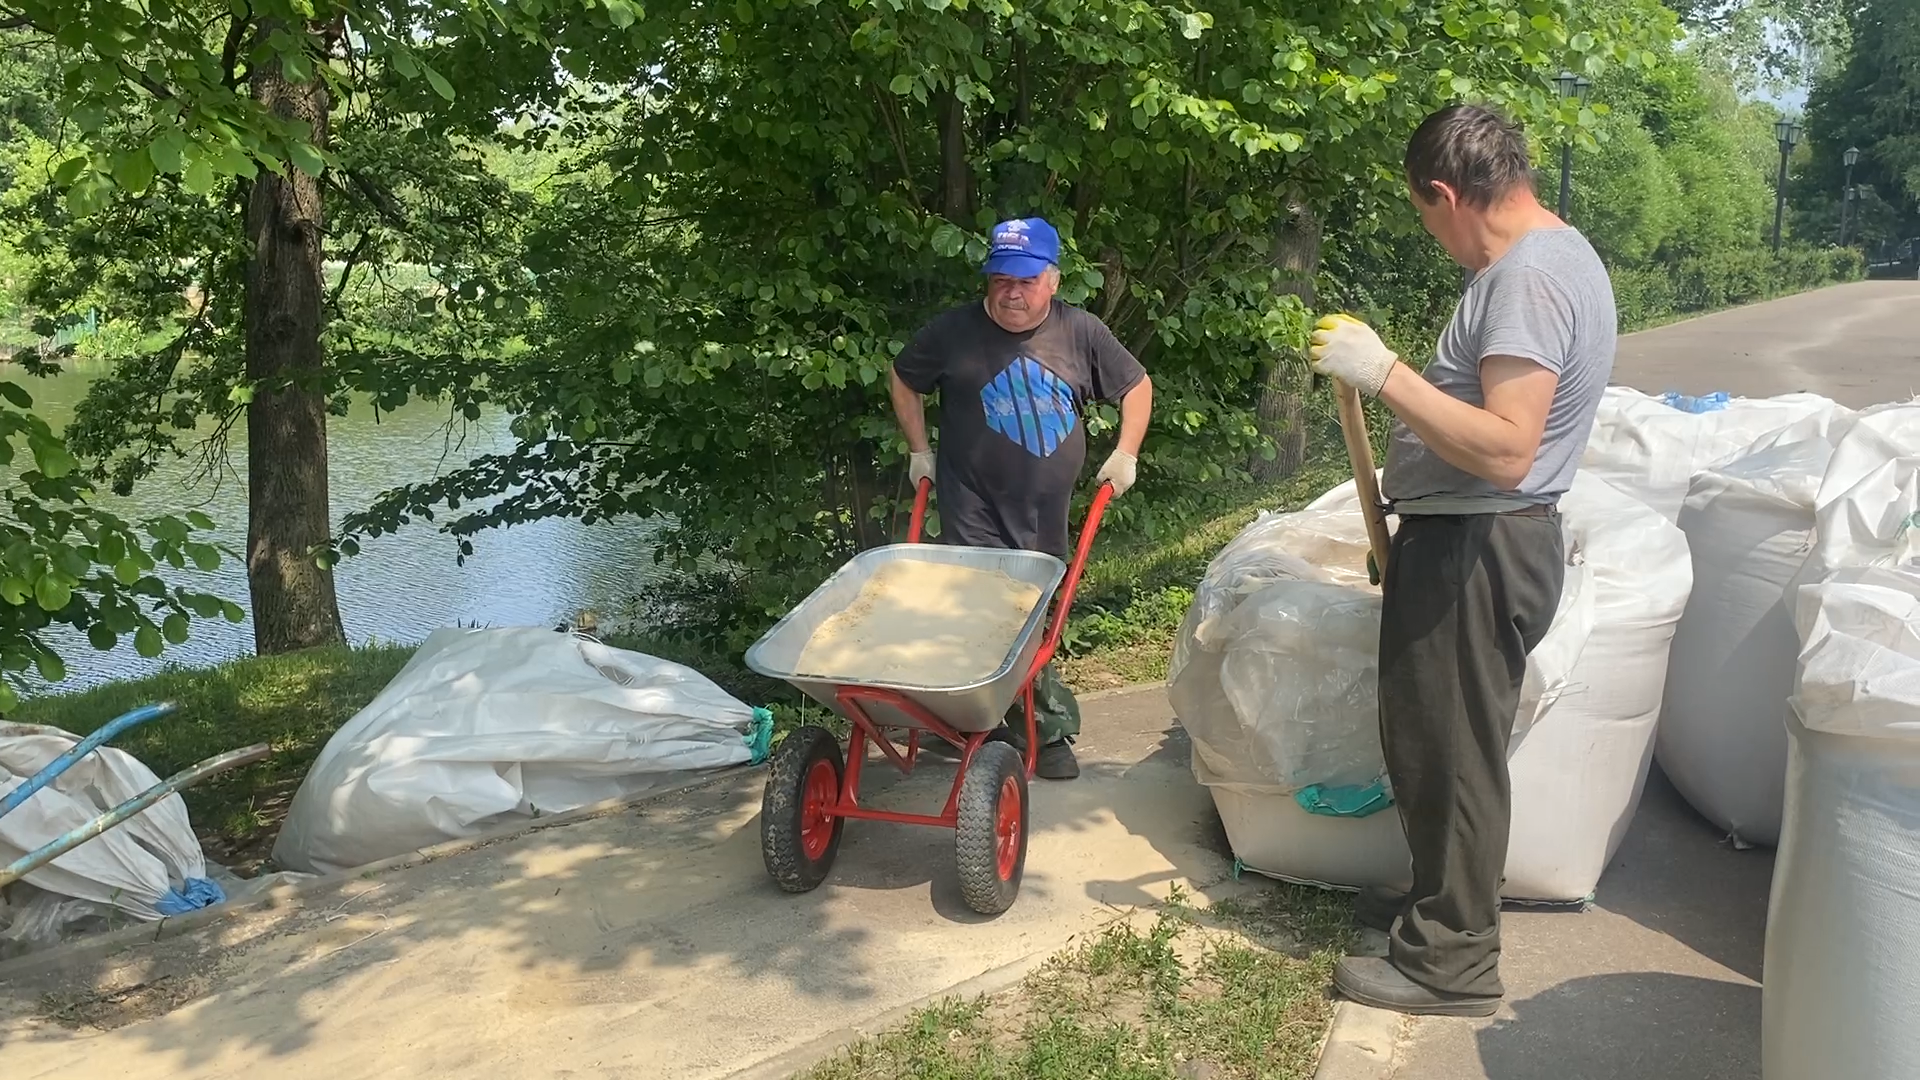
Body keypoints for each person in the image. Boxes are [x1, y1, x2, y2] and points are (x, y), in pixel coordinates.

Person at [1306, 103, 1617, 1016]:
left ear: (1444, 194)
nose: (1433, 233)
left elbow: (1508, 446)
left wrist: (1386, 374)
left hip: (1482, 546)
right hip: (1468, 541)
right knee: (1437, 744)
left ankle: (1451, 961)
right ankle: (1436, 913)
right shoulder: (1562, 256)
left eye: (1423, 213)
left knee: (1453, 755)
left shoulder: (1526, 278)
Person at [889, 216, 1154, 780]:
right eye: (1001, 277)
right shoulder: (951, 332)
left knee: (1035, 620)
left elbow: (1136, 386)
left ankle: (1038, 727)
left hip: (1043, 511)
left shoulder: (1080, 332)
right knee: (983, 612)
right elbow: (904, 378)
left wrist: (1125, 453)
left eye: (1026, 279)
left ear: (1053, 281)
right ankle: (995, 725)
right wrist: (919, 451)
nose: (1013, 290)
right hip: (972, 504)